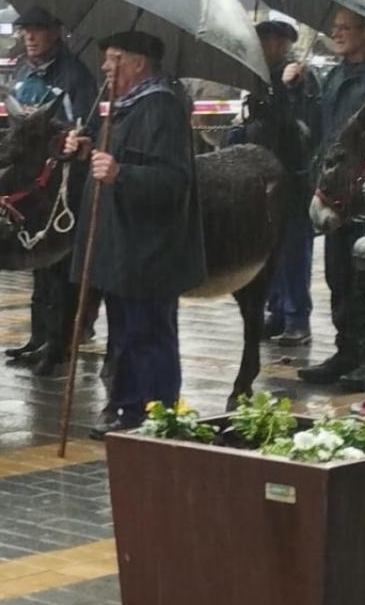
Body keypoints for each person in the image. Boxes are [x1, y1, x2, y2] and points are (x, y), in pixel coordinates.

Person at [63, 31, 206, 438]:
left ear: (139, 63)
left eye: (113, 58)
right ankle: (127, 410)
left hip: (149, 251)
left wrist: (121, 174)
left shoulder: (160, 108)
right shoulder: (125, 106)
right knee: (124, 334)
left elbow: (173, 181)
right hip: (122, 248)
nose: (106, 67)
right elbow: (115, 158)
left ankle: (155, 414)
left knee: (149, 334)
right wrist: (87, 148)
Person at [6, 7, 100, 377]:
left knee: (59, 265)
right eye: (26, 30)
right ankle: (37, 336)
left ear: (56, 32)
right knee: (36, 261)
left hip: (64, 184)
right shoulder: (22, 72)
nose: (30, 37)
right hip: (31, 187)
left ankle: (59, 342)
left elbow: (86, 125)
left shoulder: (75, 76)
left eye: (38, 30)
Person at [295, 8, 365, 388]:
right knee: (338, 276)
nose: (337, 34)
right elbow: (317, 126)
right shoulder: (334, 75)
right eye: (335, 28)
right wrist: (297, 87)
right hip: (335, 192)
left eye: (345, 28)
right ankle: (347, 351)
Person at [226, 21, 320, 346]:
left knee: (294, 251)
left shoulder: (301, 78)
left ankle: (296, 318)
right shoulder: (261, 77)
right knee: (272, 251)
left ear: (280, 42)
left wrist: (285, 87)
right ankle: (277, 311)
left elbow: (298, 129)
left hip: (292, 180)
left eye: (265, 39)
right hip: (264, 178)